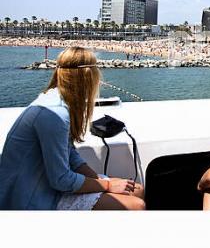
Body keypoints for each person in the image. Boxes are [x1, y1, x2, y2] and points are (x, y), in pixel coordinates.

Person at [0, 47, 145, 210]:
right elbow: (61, 180)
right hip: (31, 197)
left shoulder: (58, 102)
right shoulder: (55, 114)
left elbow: (70, 155)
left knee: (136, 190)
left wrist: (99, 179)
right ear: (88, 76)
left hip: (46, 186)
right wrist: (107, 186)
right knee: (136, 205)